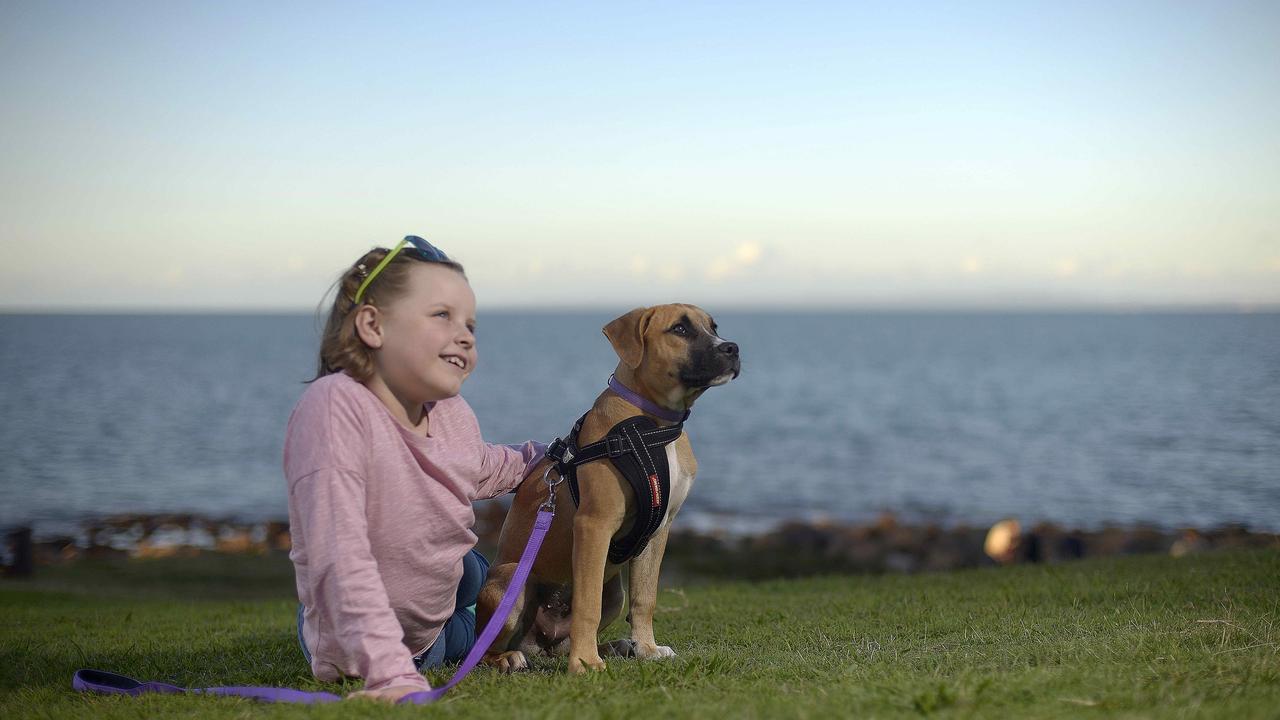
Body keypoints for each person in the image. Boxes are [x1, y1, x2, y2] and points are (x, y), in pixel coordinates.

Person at [284, 236, 545, 702]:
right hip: (399, 647)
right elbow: (337, 557)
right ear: (373, 326)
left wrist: (552, 454)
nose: (465, 334)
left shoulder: (450, 411)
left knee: (470, 570)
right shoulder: (334, 407)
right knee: (473, 621)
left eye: (471, 324)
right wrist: (391, 673)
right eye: (442, 315)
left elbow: (482, 466)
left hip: (436, 581)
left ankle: (480, 592)